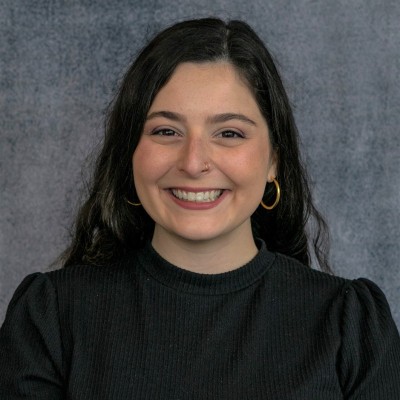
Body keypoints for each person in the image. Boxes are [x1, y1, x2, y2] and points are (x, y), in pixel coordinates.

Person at [0, 17, 399, 399]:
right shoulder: (49, 317)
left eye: (228, 133)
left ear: (274, 158)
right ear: (130, 153)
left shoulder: (350, 324)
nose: (193, 163)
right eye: (166, 131)